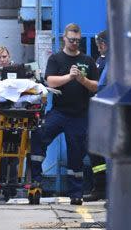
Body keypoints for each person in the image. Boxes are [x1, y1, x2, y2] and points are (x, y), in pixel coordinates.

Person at [30, 23, 99, 205]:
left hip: (79, 115)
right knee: (38, 135)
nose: (75, 43)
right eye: (71, 40)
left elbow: (95, 86)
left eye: (77, 40)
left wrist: (81, 79)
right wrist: (69, 77)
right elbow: (50, 81)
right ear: (64, 39)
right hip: (59, 112)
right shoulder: (56, 59)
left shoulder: (88, 61)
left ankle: (76, 193)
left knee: (76, 154)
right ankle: (36, 180)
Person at [84, 32, 110, 202]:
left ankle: (111, 189)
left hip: (109, 111)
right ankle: (100, 186)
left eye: (101, 42)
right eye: (98, 42)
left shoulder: (113, 61)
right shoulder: (100, 60)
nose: (99, 45)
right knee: (93, 147)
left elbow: (102, 85)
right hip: (99, 111)